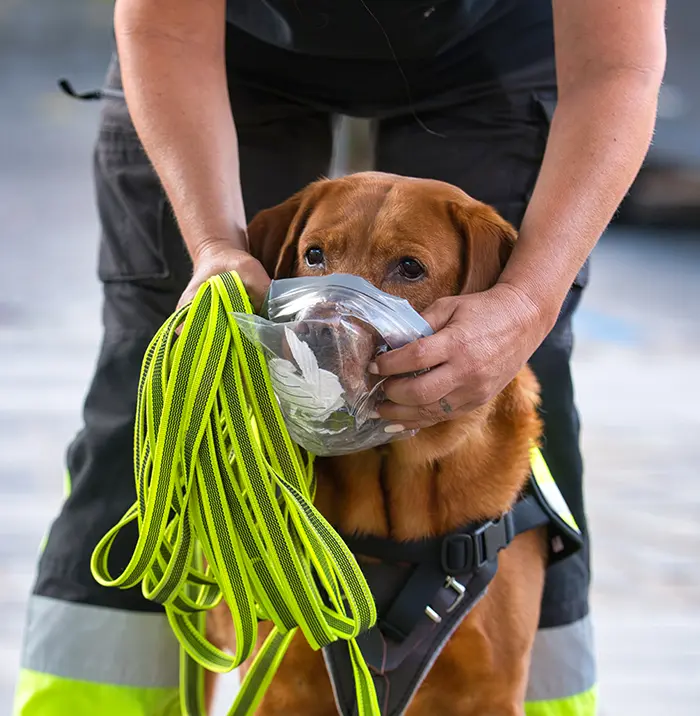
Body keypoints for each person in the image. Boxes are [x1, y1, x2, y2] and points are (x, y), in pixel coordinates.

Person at [14, 1, 666, 714]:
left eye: (407, 270)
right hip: (226, 52)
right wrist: (214, 249)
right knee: (160, 397)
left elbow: (618, 65)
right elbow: (163, 27)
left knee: (529, 376)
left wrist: (527, 305)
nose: (334, 312)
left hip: (493, 56)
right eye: (317, 261)